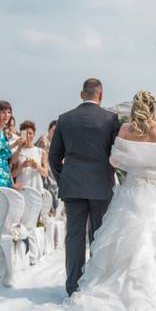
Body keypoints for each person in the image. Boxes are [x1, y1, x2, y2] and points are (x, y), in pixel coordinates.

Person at [69, 88, 156, 311]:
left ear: (134, 108)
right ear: (153, 108)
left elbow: (115, 160)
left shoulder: (125, 129)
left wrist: (137, 167)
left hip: (132, 192)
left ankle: (120, 286)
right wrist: (154, 172)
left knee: (127, 241)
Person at [49, 78, 122, 296]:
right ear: (101, 95)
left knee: (74, 236)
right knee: (99, 235)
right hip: (101, 185)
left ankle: (73, 286)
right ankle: (96, 283)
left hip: (73, 185)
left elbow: (54, 157)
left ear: (82, 94)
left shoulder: (64, 119)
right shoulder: (111, 119)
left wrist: (64, 178)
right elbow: (115, 155)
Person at [15, 121, 48, 191]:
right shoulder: (18, 152)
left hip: (37, 190)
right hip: (21, 189)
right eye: (25, 133)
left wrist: (37, 166)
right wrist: (22, 166)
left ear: (34, 134)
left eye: (30, 133)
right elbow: (12, 175)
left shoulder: (41, 152)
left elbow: (46, 173)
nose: (28, 136)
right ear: (21, 134)